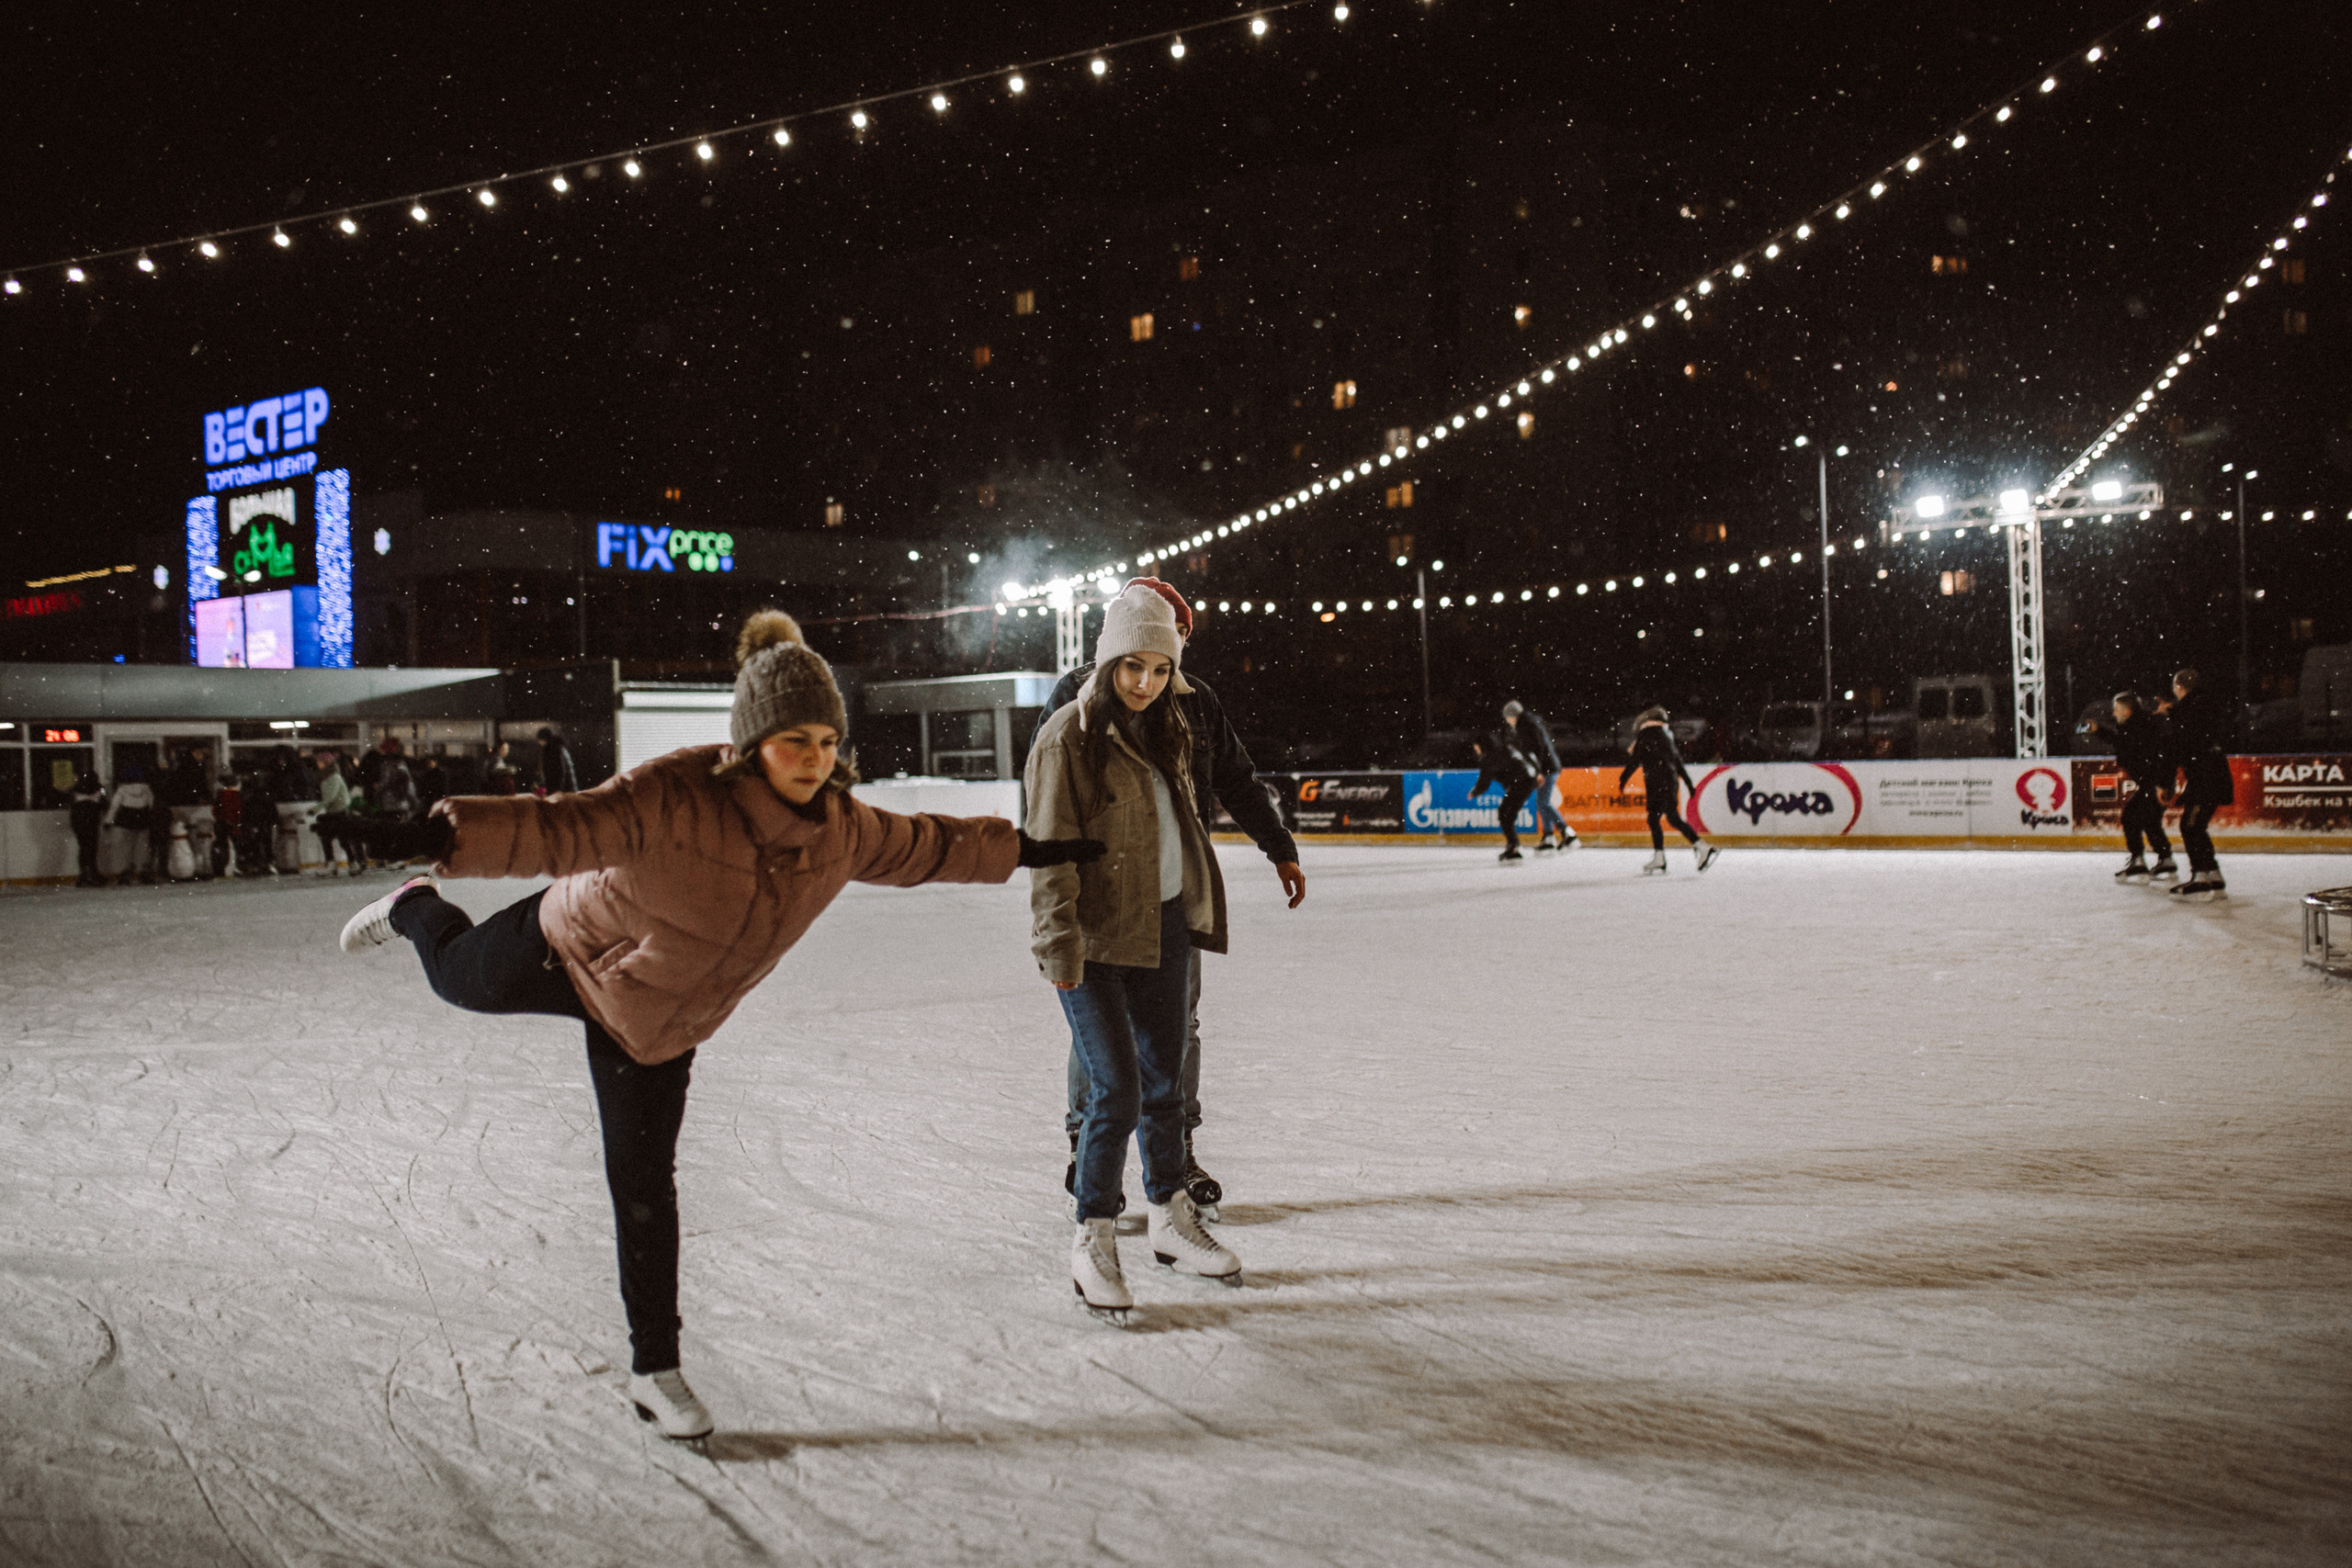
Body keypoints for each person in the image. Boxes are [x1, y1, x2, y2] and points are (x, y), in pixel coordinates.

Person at [336, 610, 1102, 1438]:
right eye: (791, 741)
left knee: (643, 1187)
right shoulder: (676, 794)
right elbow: (566, 826)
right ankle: (416, 906)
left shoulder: (842, 829)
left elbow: (925, 844)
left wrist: (1029, 849)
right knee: (455, 978)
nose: (812, 760)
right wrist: (444, 834)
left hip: (658, 1019)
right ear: (749, 742)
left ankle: (654, 1370)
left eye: (823, 741)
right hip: (570, 943)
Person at [1030, 578, 1304, 1220]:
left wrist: (1278, 843)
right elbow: (1048, 795)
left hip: (1172, 897)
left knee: (1179, 1027)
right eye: (1143, 653)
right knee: (1100, 1032)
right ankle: (1087, 1148)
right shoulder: (1075, 701)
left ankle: (1175, 1152)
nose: (1153, 672)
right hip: (1103, 899)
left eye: (1172, 648)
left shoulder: (1195, 701)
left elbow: (1234, 775)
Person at [1026, 584, 1246, 1323]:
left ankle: (1170, 1220)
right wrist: (1057, 942)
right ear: (1108, 658)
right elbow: (1049, 852)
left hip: (1166, 929)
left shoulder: (1173, 729)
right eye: (1132, 667)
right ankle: (1093, 1234)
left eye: (1159, 668)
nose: (1145, 683)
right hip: (1094, 940)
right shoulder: (1069, 734)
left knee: (1165, 1085)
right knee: (1114, 1087)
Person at [2162, 668, 2233, 900]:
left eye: (2175, 686)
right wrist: (2172, 712)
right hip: (2213, 776)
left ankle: (2201, 877)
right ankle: (2213, 874)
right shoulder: (2204, 705)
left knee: (2190, 827)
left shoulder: (2188, 711)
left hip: (2205, 778)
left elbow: (2177, 745)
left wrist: (2165, 782)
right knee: (2196, 826)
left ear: (2179, 687)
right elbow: (2195, 722)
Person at [1621, 707, 1715, 874]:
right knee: (1665, 818)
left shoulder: (1646, 735)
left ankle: (1698, 847)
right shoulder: (1666, 735)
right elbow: (1677, 761)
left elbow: (1636, 759)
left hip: (1656, 781)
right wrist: (1688, 783)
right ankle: (1670, 855)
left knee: (1661, 819)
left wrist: (1623, 778)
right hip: (1669, 781)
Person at [2107, 692, 2177, 883]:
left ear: (2127, 710)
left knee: (2130, 817)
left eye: (2117, 709)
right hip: (2154, 783)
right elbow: (2120, 741)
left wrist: (2161, 785)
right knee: (2149, 821)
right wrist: (2098, 731)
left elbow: (2163, 751)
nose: (2114, 713)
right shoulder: (2137, 725)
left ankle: (2139, 860)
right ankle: (2165, 859)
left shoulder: (2139, 727)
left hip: (2155, 783)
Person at [1504, 700, 1578, 852]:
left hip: (1547, 768)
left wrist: (1538, 770)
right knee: (1542, 802)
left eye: (1507, 718)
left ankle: (1567, 833)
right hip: (1548, 766)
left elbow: (1537, 747)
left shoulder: (1525, 724)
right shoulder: (1531, 721)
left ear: (1512, 716)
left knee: (1543, 802)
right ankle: (1549, 837)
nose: (1507, 722)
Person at [1468, 725, 1541, 862]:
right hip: (1527, 780)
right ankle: (1513, 845)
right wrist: (1536, 773)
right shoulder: (1507, 748)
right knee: (1507, 813)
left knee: (1504, 813)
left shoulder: (1489, 759)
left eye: (1476, 746)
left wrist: (1474, 792)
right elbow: (1527, 757)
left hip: (1520, 784)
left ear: (1482, 745)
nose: (1475, 749)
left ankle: (1514, 847)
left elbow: (1484, 782)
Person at [103, 761, 160, 886]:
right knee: (143, 847)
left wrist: (108, 821)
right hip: (143, 819)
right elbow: (151, 805)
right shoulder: (147, 789)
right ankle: (145, 870)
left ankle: (127, 870)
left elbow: (114, 806)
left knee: (127, 847)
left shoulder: (122, 789)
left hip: (127, 819)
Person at [313, 750, 361, 876]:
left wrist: (316, 808)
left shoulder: (334, 777)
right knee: (328, 838)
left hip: (340, 813)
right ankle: (333, 863)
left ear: (325, 763)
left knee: (343, 839)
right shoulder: (326, 777)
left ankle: (351, 863)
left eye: (320, 762)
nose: (318, 764)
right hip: (332, 813)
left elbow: (331, 797)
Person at [69, 770, 107, 887]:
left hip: (79, 822)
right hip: (92, 820)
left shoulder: (75, 789)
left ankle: (84, 873)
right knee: (92, 848)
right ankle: (93, 873)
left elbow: (70, 802)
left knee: (83, 847)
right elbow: (104, 803)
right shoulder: (99, 788)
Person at [537, 728, 581, 795]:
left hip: (561, 792)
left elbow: (557, 772)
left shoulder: (550, 750)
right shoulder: (559, 747)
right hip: (568, 790)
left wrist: (554, 791)